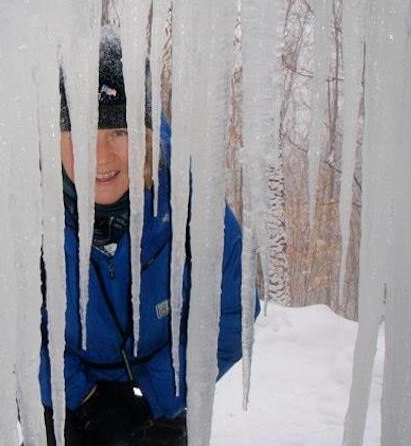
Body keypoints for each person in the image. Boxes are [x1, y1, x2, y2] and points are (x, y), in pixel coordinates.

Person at [39, 26, 259, 446]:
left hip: (162, 400)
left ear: (144, 134)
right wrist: (82, 396)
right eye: (81, 136)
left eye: (118, 132)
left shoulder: (192, 202)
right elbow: (11, 327)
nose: (99, 158)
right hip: (65, 395)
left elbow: (233, 312)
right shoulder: (29, 212)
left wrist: (150, 397)